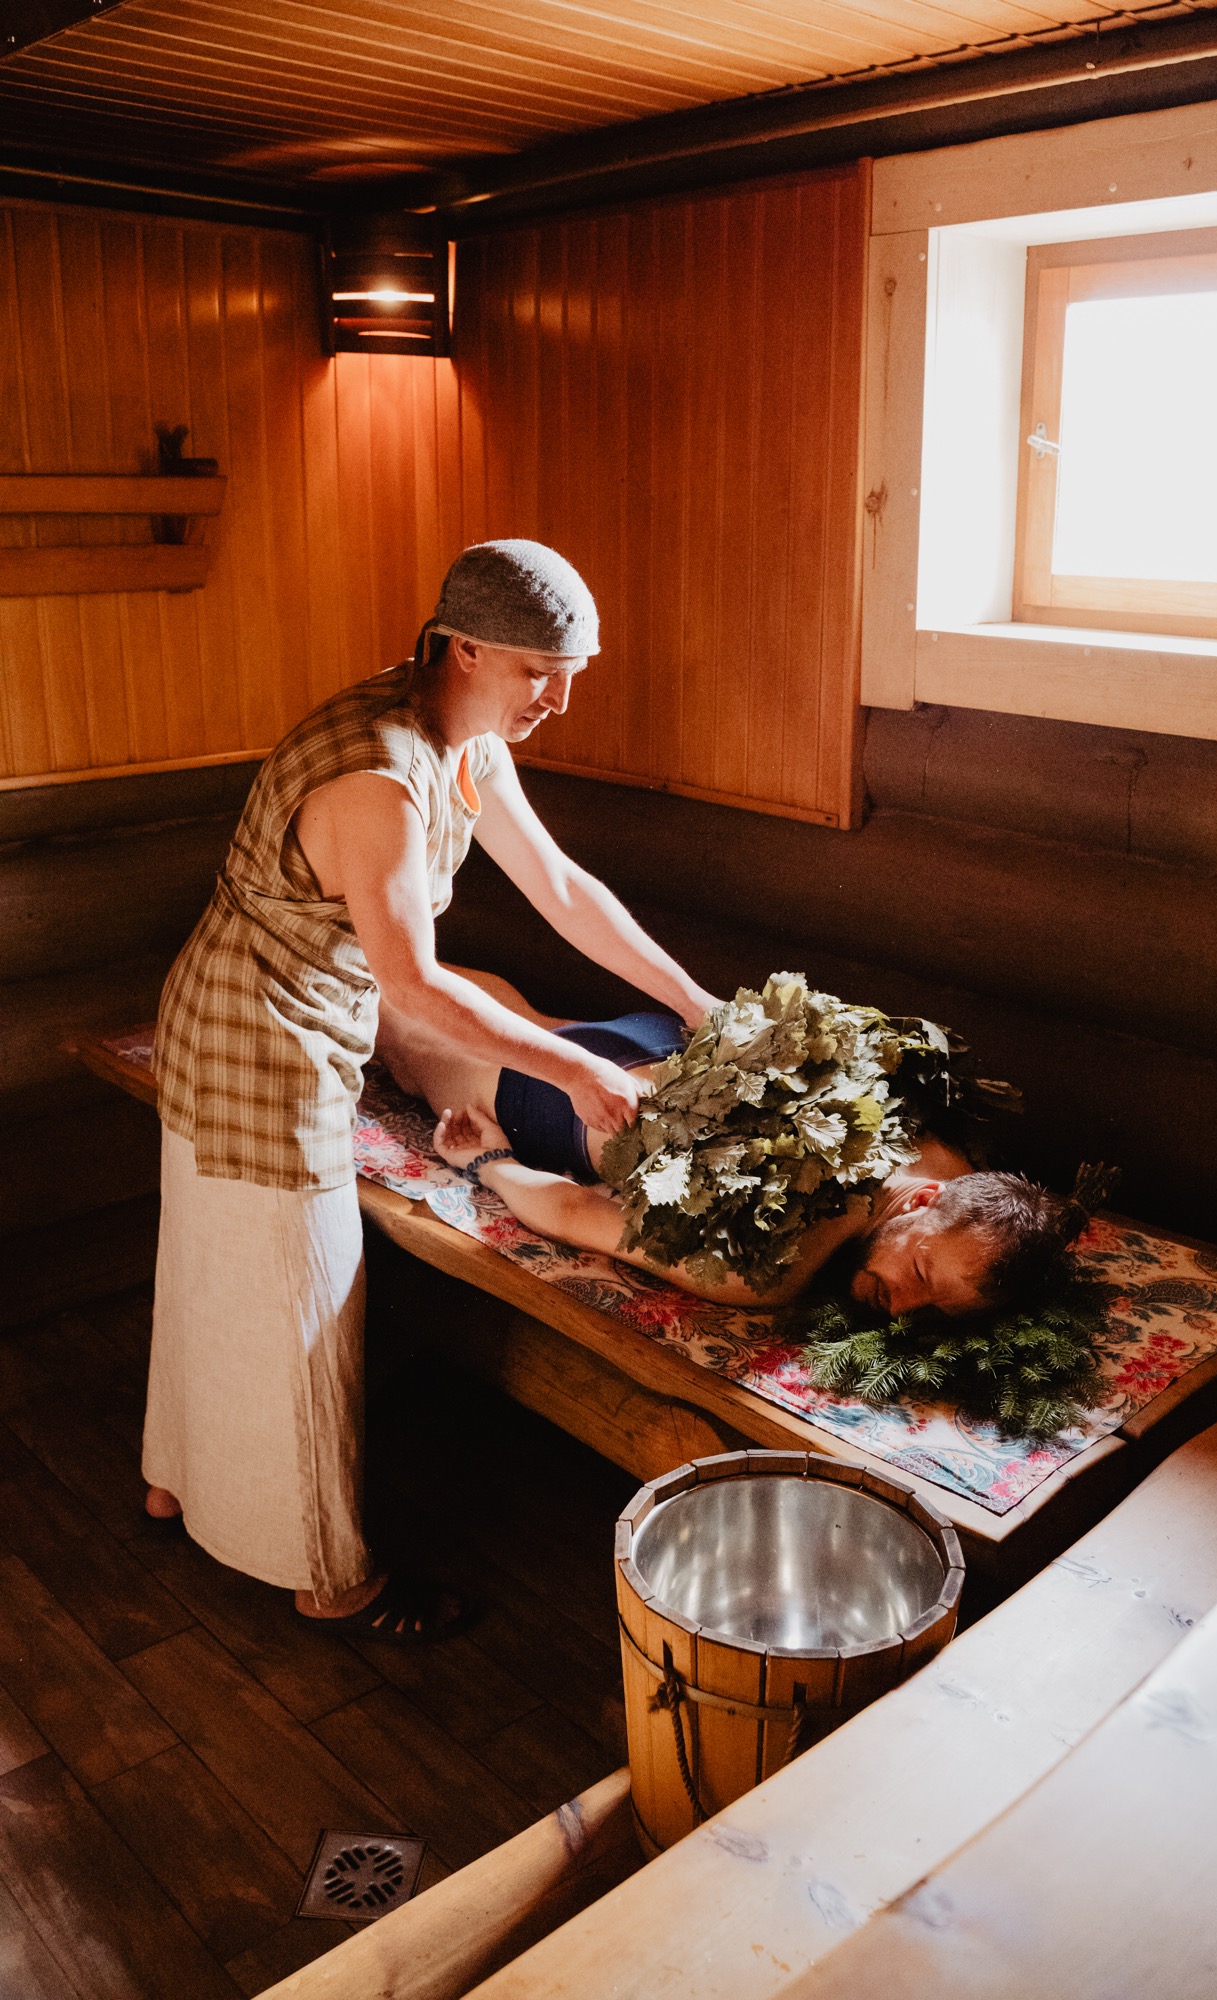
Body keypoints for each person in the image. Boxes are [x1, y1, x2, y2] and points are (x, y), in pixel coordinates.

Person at [142, 540, 719, 1641]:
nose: (557, 696)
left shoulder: (469, 740)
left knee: (220, 1268)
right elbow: (412, 979)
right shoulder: (374, 772)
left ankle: (170, 1483)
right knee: (302, 1299)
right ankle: (331, 1575)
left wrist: (692, 999)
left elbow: (560, 887)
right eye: (537, 670)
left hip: (281, 1017)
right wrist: (579, 1065)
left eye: (573, 670)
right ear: (461, 645)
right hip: (254, 1034)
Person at [376, 969, 1071, 1321]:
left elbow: (1021, 1225)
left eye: (935, 1309)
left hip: (658, 1047)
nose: (903, 1310)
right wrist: (487, 1164)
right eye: (917, 1277)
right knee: (395, 1030)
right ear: (924, 1196)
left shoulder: (952, 1167)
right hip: (560, 1108)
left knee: (482, 1003)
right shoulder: (770, 1270)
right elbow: (577, 1214)